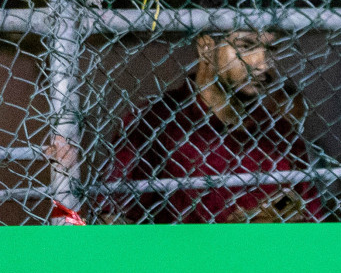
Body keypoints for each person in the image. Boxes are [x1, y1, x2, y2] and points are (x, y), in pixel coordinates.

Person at [100, 27, 321, 223]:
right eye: (246, 46)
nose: (262, 64)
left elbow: (312, 218)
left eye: (270, 49)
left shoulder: (281, 133)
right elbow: (111, 219)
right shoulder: (153, 122)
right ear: (206, 48)